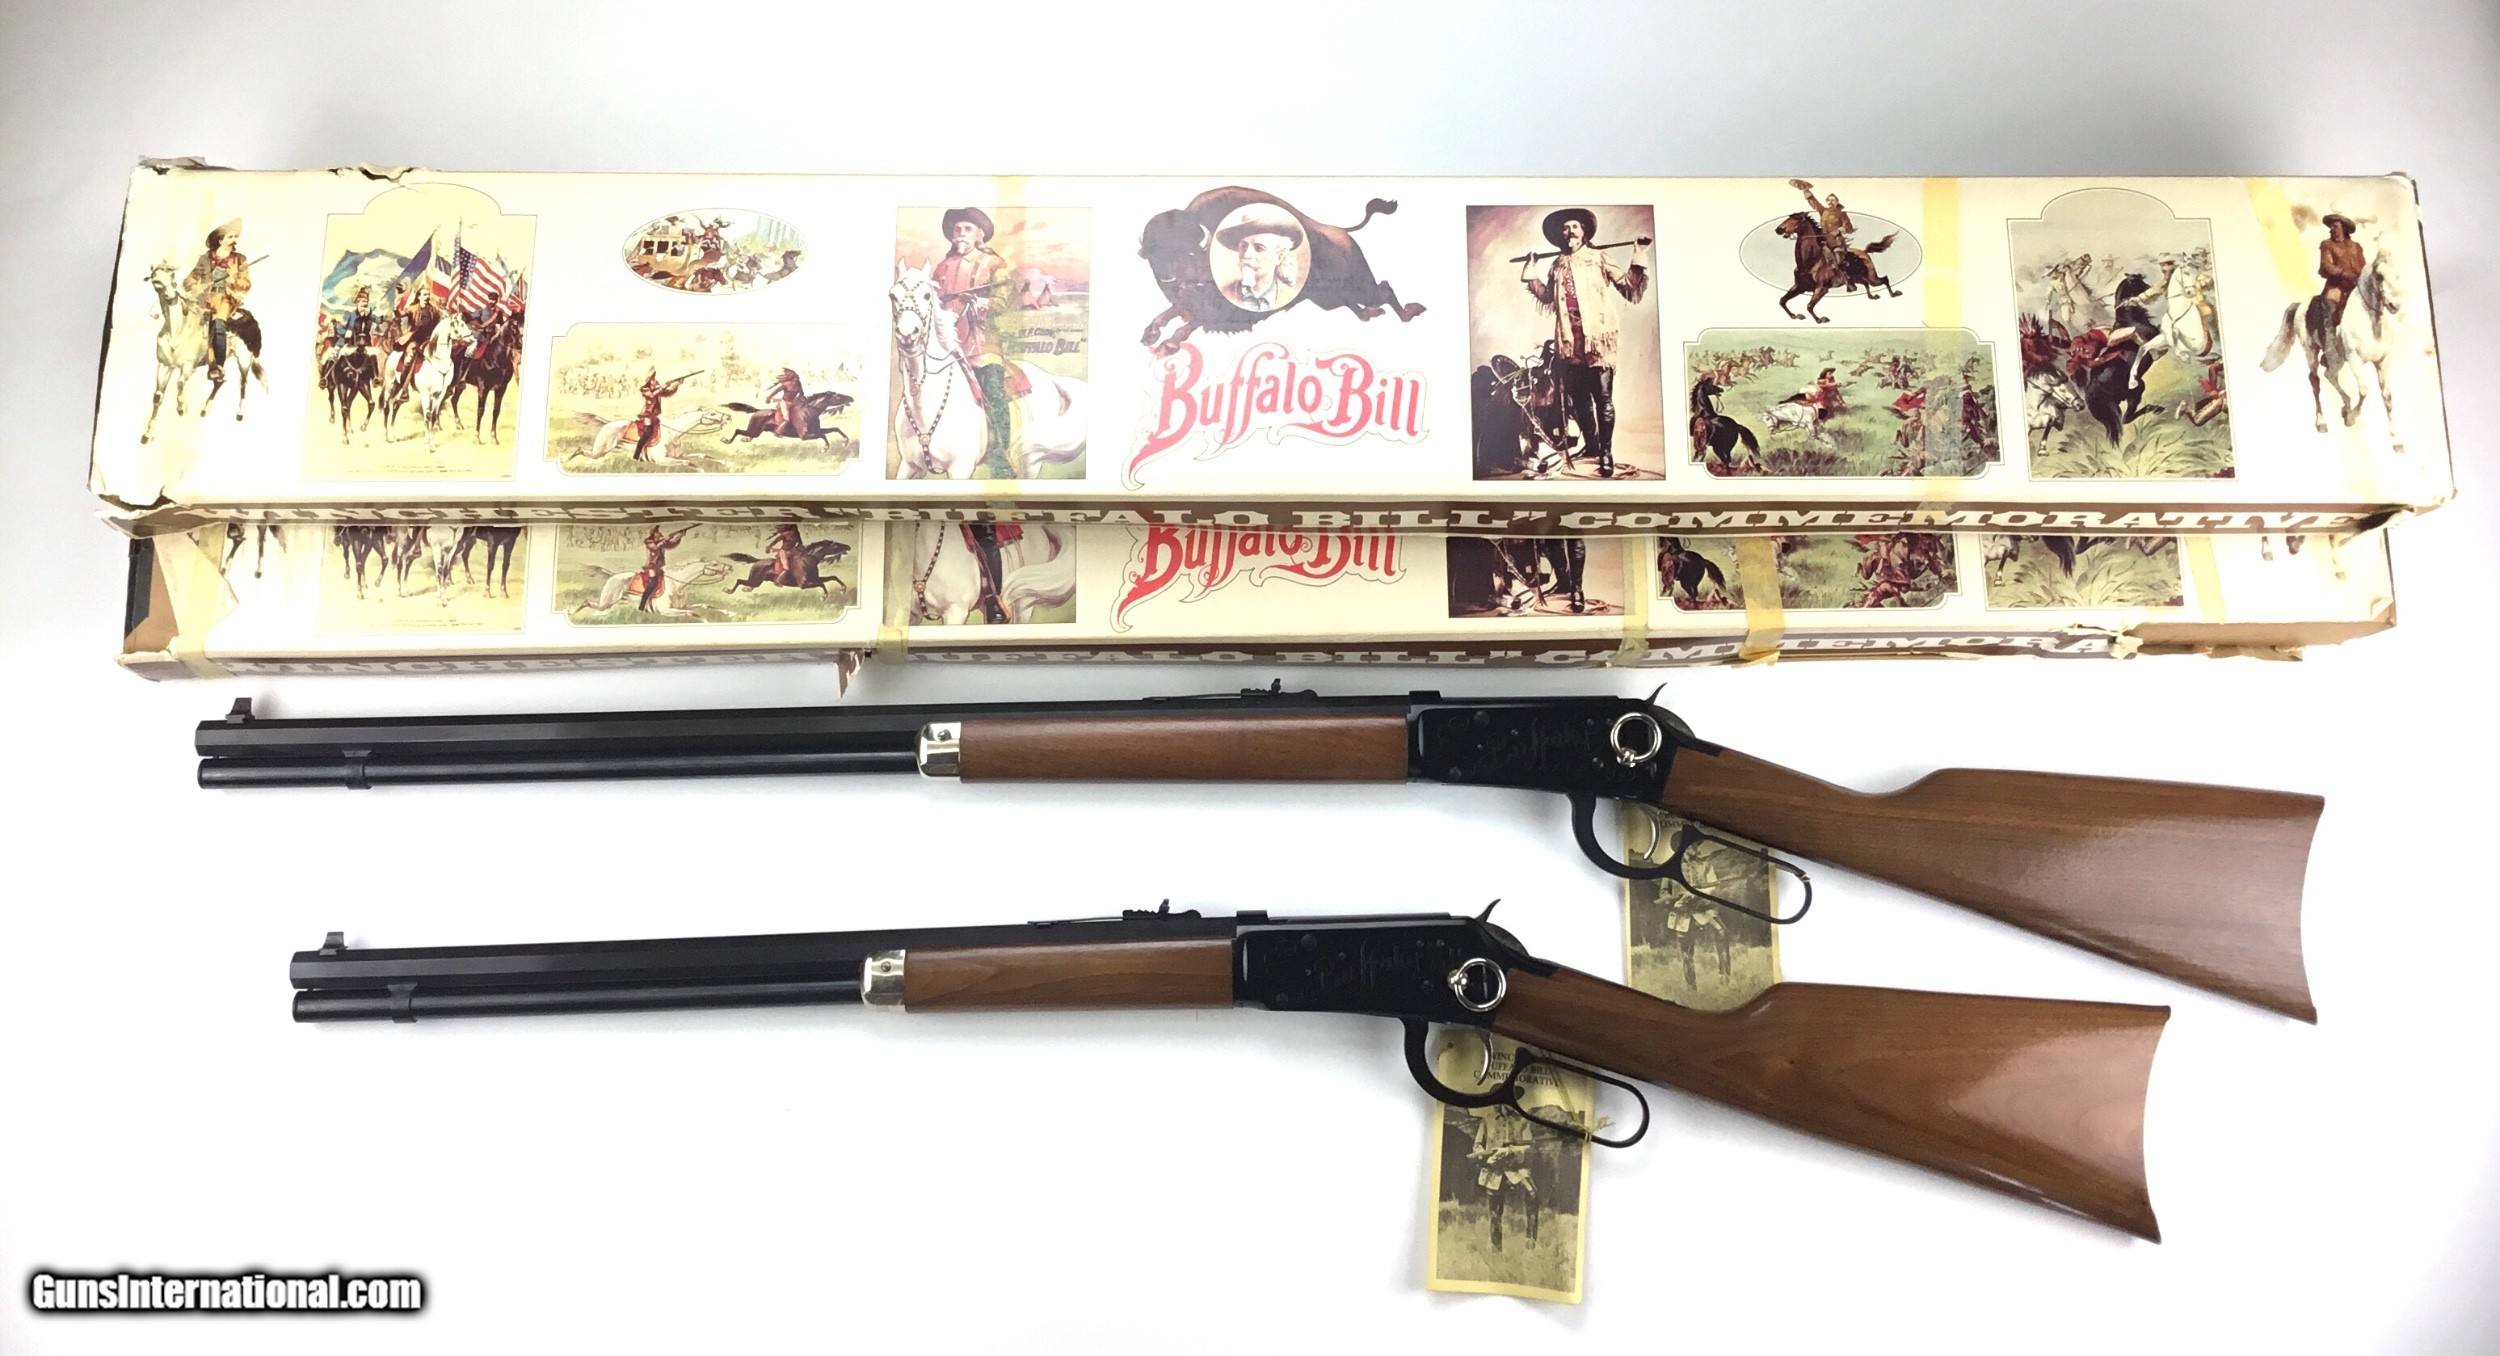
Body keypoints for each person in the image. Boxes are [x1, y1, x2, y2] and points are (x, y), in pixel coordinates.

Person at [1521, 208, 1651, 477]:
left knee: (1603, 399)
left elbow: (1628, 285)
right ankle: (1591, 446)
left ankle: (1606, 453)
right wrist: (1531, 266)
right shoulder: (1557, 264)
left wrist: (1639, 254)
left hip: (1598, 340)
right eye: (1565, 228)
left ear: (1584, 232)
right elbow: (1547, 296)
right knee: (1579, 400)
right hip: (1570, 342)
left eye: (1575, 227)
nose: (1569, 232)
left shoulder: (1598, 258)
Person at [931, 207, 1019, 476]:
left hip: (982, 345)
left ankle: (1000, 458)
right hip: (947, 347)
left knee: (993, 395)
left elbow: (1003, 303)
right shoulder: (942, 267)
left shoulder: (995, 264)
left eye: (967, 229)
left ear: (979, 235)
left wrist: (980, 302)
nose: (961, 233)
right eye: (957, 229)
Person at [182, 219, 253, 367]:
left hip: (225, 299)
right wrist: (195, 286)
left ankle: (218, 366)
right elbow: (189, 279)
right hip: (204, 299)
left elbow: (245, 283)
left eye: (235, 236)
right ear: (220, 240)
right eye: (230, 237)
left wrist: (233, 281)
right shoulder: (205, 259)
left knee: (218, 323)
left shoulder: (240, 259)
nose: (234, 240)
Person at [1216, 204, 1304, 313]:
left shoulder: (1291, 300)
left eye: (1259, 248)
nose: (1247, 255)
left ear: (1279, 257)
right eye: (1243, 247)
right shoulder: (1225, 293)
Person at [2317, 213, 2366, 328]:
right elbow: (2326, 265)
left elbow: (2363, 266)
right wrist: (2343, 273)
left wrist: (2361, 276)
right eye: (2331, 227)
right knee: (2331, 307)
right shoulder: (2327, 244)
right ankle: (2330, 337)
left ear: (2344, 228)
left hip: (2356, 286)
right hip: (2336, 286)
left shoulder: (2356, 246)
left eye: (2335, 226)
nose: (2331, 229)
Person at [631, 370, 686, 462]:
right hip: (647, 416)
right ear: (649, 381)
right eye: (652, 380)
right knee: (647, 433)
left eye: (654, 379)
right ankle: (636, 455)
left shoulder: (657, 388)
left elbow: (669, 393)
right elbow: (651, 396)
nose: (655, 381)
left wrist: (677, 384)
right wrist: (661, 388)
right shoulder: (645, 390)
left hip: (654, 416)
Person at [633, 525, 692, 612]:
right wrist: (665, 539)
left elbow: (671, 545)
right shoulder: (649, 542)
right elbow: (655, 548)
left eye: (658, 531)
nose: (659, 533)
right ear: (653, 534)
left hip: (660, 566)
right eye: (657, 532)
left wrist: (679, 536)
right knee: (653, 583)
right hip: (651, 566)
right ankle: (642, 604)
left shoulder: (660, 541)